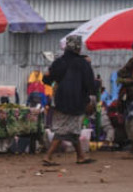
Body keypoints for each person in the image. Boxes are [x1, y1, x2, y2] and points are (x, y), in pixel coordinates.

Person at [41, 35, 96, 166]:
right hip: (77, 101)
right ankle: (48, 156)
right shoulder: (83, 63)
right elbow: (90, 84)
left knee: (73, 129)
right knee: (64, 129)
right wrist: (90, 100)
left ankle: (81, 156)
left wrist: (48, 76)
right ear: (79, 47)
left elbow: (47, 80)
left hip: (60, 100)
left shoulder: (59, 62)